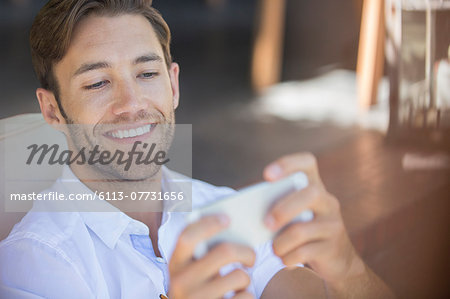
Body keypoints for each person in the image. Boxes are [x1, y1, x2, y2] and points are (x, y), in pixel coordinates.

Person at [0, 0, 395, 298]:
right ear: (52, 109)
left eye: (147, 73)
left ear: (173, 86)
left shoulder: (224, 211)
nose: (132, 103)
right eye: (97, 83)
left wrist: (347, 270)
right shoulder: (36, 263)